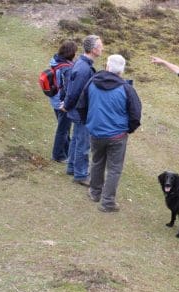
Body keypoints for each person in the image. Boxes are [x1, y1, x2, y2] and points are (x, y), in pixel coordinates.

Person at [77, 54, 142, 212]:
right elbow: (135, 114)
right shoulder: (126, 88)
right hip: (117, 136)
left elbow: (81, 106)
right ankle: (107, 202)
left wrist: (90, 123)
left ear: (107, 66)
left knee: (97, 162)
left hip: (96, 133)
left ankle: (94, 192)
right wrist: (128, 129)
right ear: (121, 71)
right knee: (114, 169)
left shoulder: (92, 82)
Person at [62, 35, 103, 187]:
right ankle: (80, 174)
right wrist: (67, 105)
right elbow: (74, 92)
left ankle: (72, 167)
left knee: (76, 140)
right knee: (83, 144)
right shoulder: (84, 68)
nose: (102, 48)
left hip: (77, 110)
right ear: (93, 49)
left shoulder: (81, 64)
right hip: (81, 111)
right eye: (100, 46)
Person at [48, 40, 77, 163]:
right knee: (63, 129)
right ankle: (58, 155)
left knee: (64, 127)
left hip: (55, 99)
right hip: (62, 103)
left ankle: (67, 151)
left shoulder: (55, 61)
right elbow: (67, 88)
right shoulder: (66, 69)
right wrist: (67, 103)